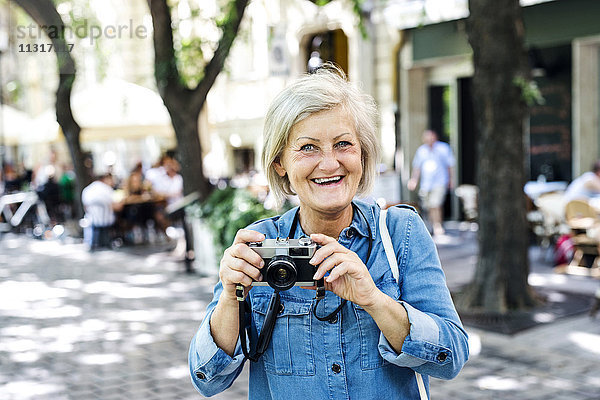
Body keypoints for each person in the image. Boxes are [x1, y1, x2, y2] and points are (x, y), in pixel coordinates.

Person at [189, 65, 468, 398]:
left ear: (362, 154)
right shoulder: (258, 245)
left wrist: (373, 300)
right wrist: (230, 299)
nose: (329, 163)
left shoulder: (400, 233)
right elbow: (207, 379)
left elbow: (451, 357)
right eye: (308, 147)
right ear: (280, 163)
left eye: (343, 144)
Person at [407, 129, 455, 237]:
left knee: (436, 204)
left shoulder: (443, 148)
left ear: (435, 137)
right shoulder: (421, 151)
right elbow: (417, 168)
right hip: (426, 184)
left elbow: (450, 165)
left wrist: (451, 180)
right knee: (428, 206)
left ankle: (438, 226)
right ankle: (432, 225)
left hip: (440, 181)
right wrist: (414, 180)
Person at [81, 173, 123, 250]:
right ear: (105, 179)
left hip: (92, 219)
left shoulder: (87, 190)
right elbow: (117, 207)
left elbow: (85, 207)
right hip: (106, 219)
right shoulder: (107, 189)